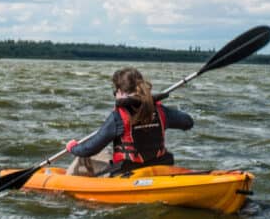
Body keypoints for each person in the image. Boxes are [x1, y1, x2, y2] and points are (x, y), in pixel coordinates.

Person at [62, 67, 195, 176]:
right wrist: (155, 105)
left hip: (128, 171)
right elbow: (188, 122)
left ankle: (66, 189)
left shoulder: (118, 116)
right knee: (105, 154)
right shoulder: (160, 110)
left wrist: (73, 147)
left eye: (115, 92)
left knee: (82, 157)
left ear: (120, 91)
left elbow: (89, 149)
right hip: (159, 166)